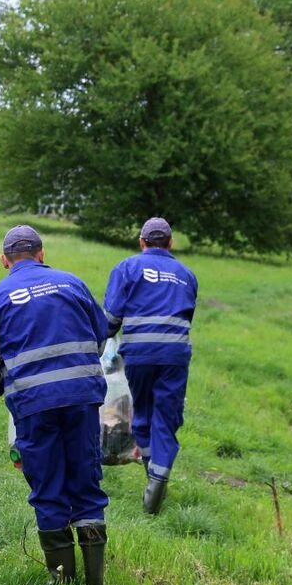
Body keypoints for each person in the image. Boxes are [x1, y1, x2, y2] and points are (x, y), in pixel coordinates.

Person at [0, 225, 110, 585]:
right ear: (42, 254)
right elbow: (101, 332)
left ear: (4, 261)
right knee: (87, 482)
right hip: (82, 397)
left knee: (48, 485)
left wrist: (3, 388)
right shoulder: (73, 284)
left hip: (33, 405)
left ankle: (61, 583)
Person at [103, 217, 198, 515]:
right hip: (174, 355)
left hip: (140, 355)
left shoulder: (127, 268)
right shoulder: (187, 274)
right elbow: (186, 317)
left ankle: (152, 478)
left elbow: (111, 318)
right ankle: (159, 477)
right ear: (170, 243)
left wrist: (101, 345)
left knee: (142, 414)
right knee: (166, 416)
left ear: (142, 242)